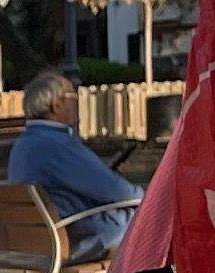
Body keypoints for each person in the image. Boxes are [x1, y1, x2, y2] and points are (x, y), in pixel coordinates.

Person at [7, 68, 138, 257]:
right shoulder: (56, 143)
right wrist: (149, 197)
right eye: (72, 96)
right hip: (67, 240)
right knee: (146, 218)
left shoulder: (24, 143)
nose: (76, 102)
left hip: (37, 237)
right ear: (56, 105)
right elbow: (117, 191)